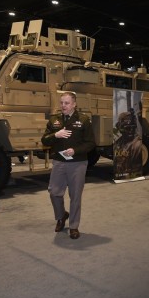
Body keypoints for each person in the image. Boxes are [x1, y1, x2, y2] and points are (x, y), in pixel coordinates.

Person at [41, 92, 95, 239]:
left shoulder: (83, 120)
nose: (63, 106)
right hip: (59, 162)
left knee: (75, 196)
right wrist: (55, 135)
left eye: (67, 103)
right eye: (62, 103)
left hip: (77, 164)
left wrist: (75, 151)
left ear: (74, 104)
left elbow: (91, 143)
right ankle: (61, 215)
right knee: (54, 192)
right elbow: (44, 140)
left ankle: (73, 226)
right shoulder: (54, 121)